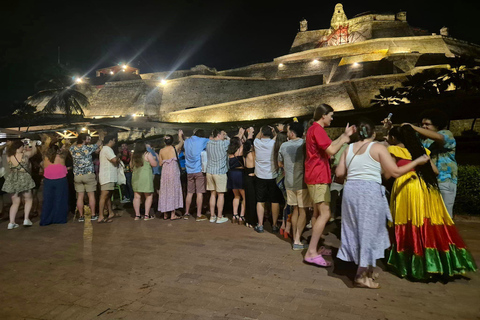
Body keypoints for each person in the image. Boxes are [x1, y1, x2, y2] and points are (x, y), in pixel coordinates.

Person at [334, 118, 430, 288]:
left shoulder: (348, 149)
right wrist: (417, 161)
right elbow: (395, 171)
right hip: (369, 192)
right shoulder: (378, 147)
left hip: (351, 191)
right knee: (369, 231)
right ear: (374, 133)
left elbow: (339, 173)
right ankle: (361, 275)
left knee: (354, 229)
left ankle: (366, 268)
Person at [386, 125, 477, 280]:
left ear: (394, 138)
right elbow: (435, 171)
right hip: (427, 189)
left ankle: (414, 264)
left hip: (408, 188)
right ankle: (436, 264)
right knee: (427, 225)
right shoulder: (422, 150)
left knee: (410, 224)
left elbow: (389, 173)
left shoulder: (394, 151)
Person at [304, 104, 355, 264]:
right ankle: (311, 252)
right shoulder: (317, 129)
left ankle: (315, 247)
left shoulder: (314, 129)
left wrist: (343, 136)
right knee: (325, 214)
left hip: (315, 175)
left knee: (318, 214)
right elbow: (332, 150)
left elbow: (329, 145)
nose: (332, 119)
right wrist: (345, 139)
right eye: (331, 115)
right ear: (323, 115)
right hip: (318, 176)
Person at [402, 110, 458, 218]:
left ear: (437, 124)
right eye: (422, 124)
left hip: (444, 181)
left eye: (427, 124)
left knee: (444, 216)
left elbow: (440, 138)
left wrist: (412, 127)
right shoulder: (423, 139)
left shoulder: (446, 134)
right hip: (427, 182)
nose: (424, 127)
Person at [278, 122, 312, 250]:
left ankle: (295, 237)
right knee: (303, 210)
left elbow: (280, 163)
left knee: (294, 210)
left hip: (289, 182)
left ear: (292, 133)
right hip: (302, 182)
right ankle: (297, 240)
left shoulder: (283, 146)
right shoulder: (304, 144)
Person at [206, 128, 244, 224]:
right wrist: (240, 133)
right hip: (220, 172)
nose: (224, 136)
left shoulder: (208, 143)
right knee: (221, 195)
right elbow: (235, 141)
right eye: (223, 134)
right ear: (218, 135)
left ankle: (212, 216)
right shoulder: (224, 143)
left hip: (209, 171)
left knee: (212, 194)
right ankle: (219, 217)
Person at [253, 126, 283, 233]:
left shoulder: (256, 143)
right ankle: (274, 225)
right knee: (274, 201)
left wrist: (261, 129)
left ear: (261, 133)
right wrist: (274, 132)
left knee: (260, 200)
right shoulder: (273, 143)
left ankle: (260, 224)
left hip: (260, 176)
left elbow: (257, 137)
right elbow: (276, 137)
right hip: (272, 175)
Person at [2, 140, 37, 229]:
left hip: (13, 178)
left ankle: (11, 222)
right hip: (24, 178)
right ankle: (26, 219)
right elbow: (34, 151)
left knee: (15, 202)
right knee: (28, 199)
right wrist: (32, 144)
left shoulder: (9, 156)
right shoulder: (25, 155)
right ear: (20, 147)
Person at [70, 131, 104, 222]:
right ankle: (93, 214)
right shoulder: (88, 148)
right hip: (88, 174)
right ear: (84, 140)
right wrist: (100, 137)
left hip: (77, 175)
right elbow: (98, 144)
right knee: (91, 195)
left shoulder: (72, 148)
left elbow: (71, 146)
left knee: (80, 196)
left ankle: (81, 216)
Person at [40, 137, 69, 226]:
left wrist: (49, 141)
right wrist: (66, 142)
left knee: (48, 200)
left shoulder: (45, 155)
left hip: (48, 179)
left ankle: (46, 219)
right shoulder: (62, 154)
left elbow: (44, 147)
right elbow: (67, 147)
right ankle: (59, 218)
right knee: (60, 199)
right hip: (61, 179)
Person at [184, 129, 209, 222]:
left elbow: (183, 140)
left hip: (189, 171)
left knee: (189, 193)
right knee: (199, 193)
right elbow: (212, 141)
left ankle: (186, 213)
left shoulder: (186, 141)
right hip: (198, 170)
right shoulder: (203, 140)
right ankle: (199, 214)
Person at [158, 131, 184, 220]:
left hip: (165, 172)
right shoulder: (174, 148)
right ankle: (173, 214)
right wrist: (180, 135)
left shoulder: (161, 151)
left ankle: (165, 213)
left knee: (165, 190)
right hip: (173, 171)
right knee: (173, 191)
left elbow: (160, 163)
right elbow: (181, 142)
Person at [131, 141, 158, 220]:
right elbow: (154, 164)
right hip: (146, 177)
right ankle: (146, 215)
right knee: (148, 196)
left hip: (136, 177)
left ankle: (137, 215)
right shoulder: (147, 154)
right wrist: (154, 159)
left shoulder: (134, 155)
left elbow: (131, 166)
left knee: (137, 196)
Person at [98, 135, 118, 223]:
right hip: (107, 176)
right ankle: (101, 216)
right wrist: (119, 156)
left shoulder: (104, 149)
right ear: (111, 140)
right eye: (114, 140)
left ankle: (110, 212)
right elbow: (114, 160)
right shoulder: (107, 149)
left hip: (107, 176)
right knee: (104, 195)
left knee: (108, 196)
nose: (114, 142)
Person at [227, 137, 246, 224]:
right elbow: (245, 144)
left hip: (232, 174)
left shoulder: (229, 152)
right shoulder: (239, 150)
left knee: (236, 196)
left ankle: (234, 215)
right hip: (240, 173)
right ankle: (241, 216)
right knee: (244, 197)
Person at [243, 137, 257, 228]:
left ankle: (248, 220)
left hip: (246, 177)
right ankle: (253, 221)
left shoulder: (244, 154)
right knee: (253, 200)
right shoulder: (252, 154)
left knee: (247, 200)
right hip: (252, 178)